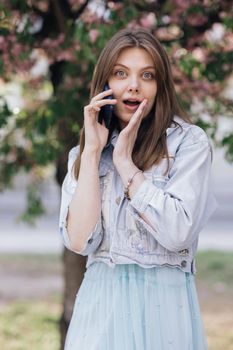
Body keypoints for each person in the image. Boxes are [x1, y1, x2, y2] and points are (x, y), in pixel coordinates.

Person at [59, 27, 217, 350]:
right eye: (120, 73)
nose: (133, 85)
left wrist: (126, 165)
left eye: (147, 75)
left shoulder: (189, 144)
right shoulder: (85, 154)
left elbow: (177, 231)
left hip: (165, 310)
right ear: (104, 83)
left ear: (160, 87)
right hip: (100, 309)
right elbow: (79, 240)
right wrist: (92, 153)